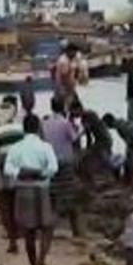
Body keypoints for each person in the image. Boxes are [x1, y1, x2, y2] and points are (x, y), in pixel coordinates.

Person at [2, 114, 59, 265]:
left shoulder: (16, 147)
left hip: (23, 189)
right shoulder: (45, 146)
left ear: (23, 129)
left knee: (29, 232)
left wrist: (21, 173)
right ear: (38, 128)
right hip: (41, 188)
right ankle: (42, 259)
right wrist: (41, 173)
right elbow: (54, 167)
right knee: (47, 226)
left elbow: (7, 169)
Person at [42, 95, 83, 238]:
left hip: (49, 163)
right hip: (65, 164)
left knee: (52, 196)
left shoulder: (45, 123)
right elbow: (75, 139)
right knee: (70, 196)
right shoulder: (65, 123)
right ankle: (76, 230)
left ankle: (49, 229)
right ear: (63, 107)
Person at [0, 96, 24, 254]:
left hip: (2, 173)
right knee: (17, 206)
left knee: (5, 208)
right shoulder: (20, 129)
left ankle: (12, 240)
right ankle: (19, 235)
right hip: (18, 173)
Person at [103, 113, 133, 183]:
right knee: (129, 160)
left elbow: (130, 136)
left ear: (109, 122)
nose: (107, 127)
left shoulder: (119, 126)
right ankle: (129, 179)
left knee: (131, 162)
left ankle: (131, 180)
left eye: (106, 125)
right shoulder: (120, 122)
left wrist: (130, 149)